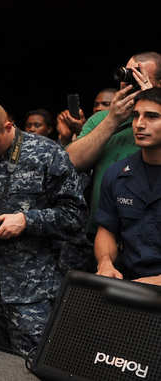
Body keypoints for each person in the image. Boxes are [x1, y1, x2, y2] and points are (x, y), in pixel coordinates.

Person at [0, 101, 85, 358]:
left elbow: (75, 216)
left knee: (33, 363)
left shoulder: (48, 154)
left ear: (8, 126)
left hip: (29, 289)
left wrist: (27, 220)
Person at [66, 52, 160, 235]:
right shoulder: (102, 119)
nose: (127, 82)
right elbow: (70, 162)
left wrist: (151, 99)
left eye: (138, 75)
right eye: (127, 74)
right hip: (103, 231)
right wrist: (112, 120)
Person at [94, 88, 161, 285]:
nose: (139, 124)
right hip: (130, 285)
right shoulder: (117, 173)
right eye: (136, 116)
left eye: (152, 116)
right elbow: (106, 229)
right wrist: (105, 263)